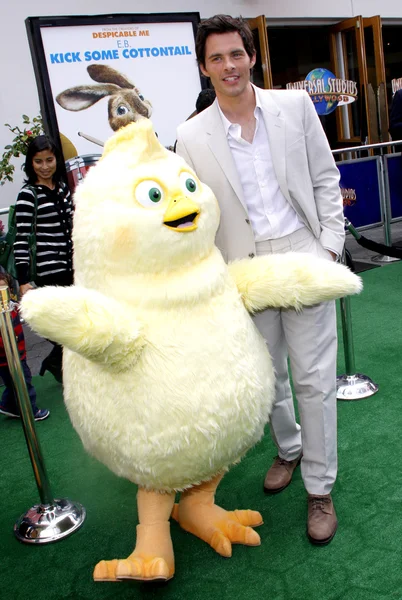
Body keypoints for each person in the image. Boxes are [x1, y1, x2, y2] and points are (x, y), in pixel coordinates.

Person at [176, 14, 345, 545]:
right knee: (266, 377)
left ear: (252, 57)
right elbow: (197, 217)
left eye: (236, 54)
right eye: (217, 58)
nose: (229, 66)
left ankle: (320, 488)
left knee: (315, 379)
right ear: (204, 68)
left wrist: (330, 250)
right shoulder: (190, 135)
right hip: (242, 269)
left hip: (302, 252)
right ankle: (288, 448)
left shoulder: (294, 108)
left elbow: (325, 178)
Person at [14, 135, 73, 382]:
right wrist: (24, 281)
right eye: (39, 161)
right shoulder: (28, 195)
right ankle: (57, 364)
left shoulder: (62, 189)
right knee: (61, 326)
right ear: (31, 163)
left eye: (50, 160)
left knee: (74, 322)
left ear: (57, 160)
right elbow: (20, 239)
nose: (45, 166)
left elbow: (72, 225)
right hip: (48, 271)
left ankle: (56, 364)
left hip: (71, 267)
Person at [0, 270, 49, 421]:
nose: (3, 295)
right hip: (9, 357)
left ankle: (8, 405)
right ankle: (31, 410)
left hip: (17, 353)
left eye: (5, 289)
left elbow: (21, 308)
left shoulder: (11, 306)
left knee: (12, 384)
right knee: (24, 382)